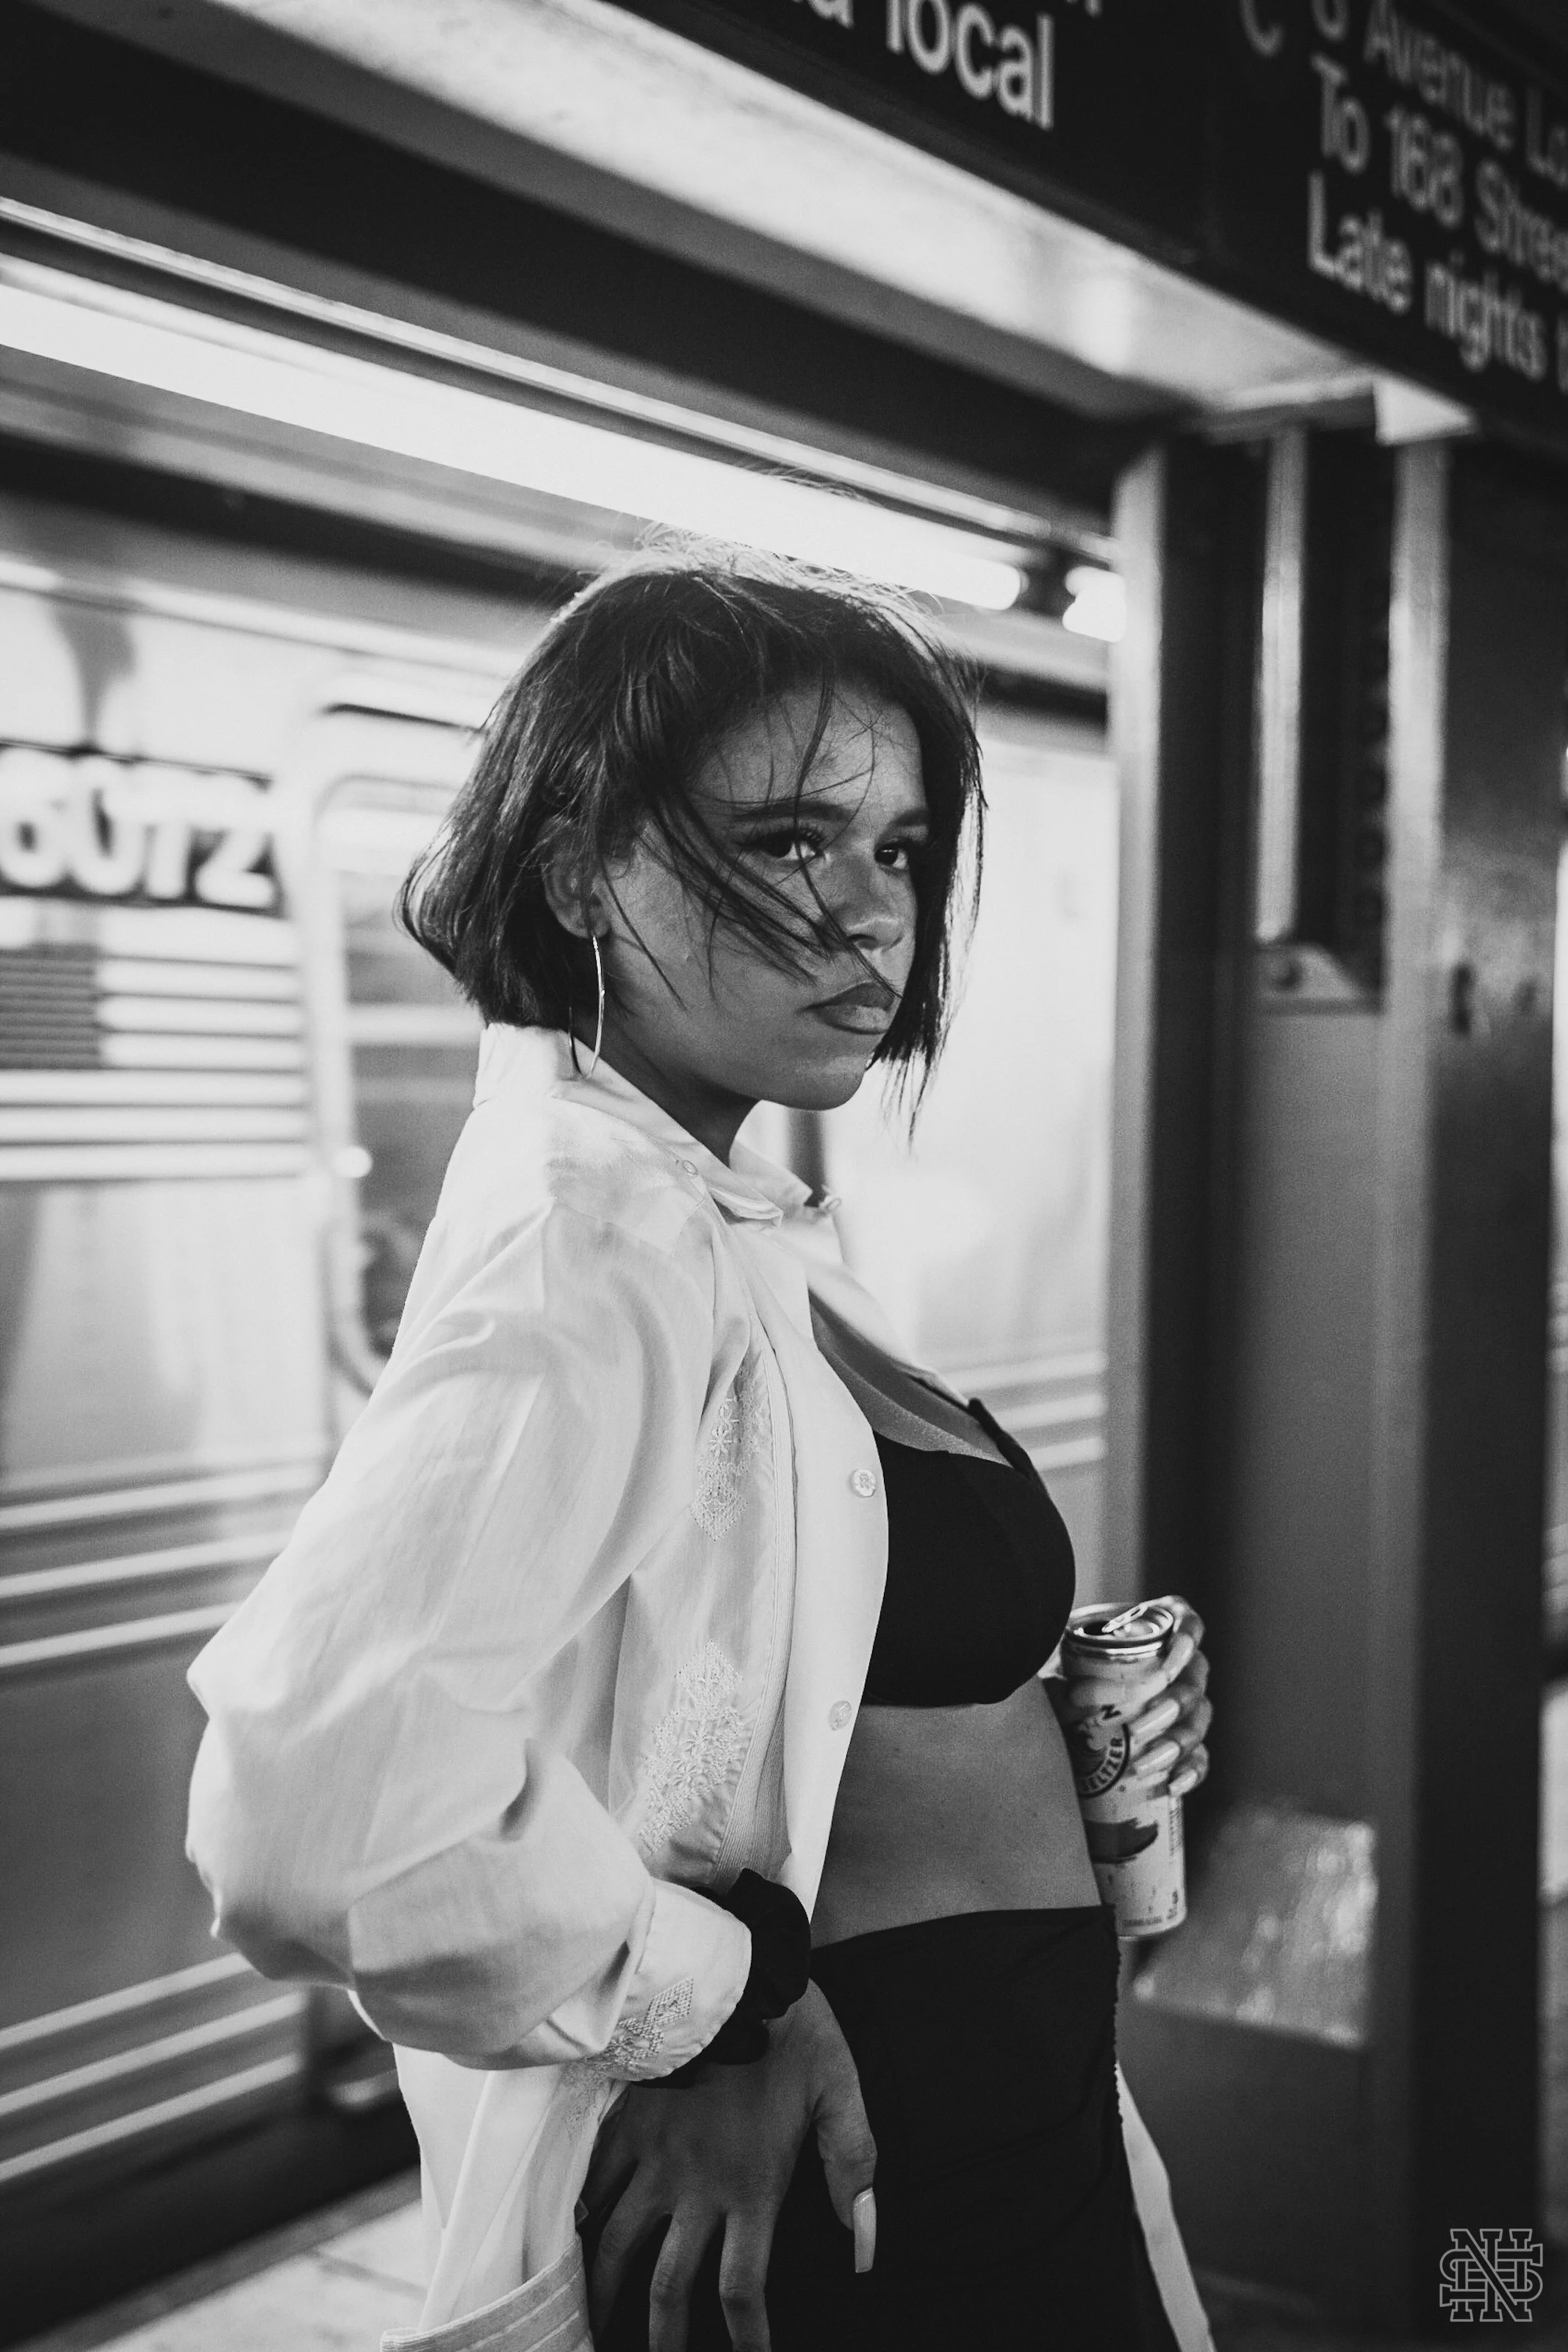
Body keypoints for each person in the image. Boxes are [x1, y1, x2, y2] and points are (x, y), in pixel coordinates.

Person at [185, 549, 1215, 2352]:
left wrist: (1015, 1718)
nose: (873, 918)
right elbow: (317, 1799)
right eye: (788, 840)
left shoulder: (720, 1208)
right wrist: (713, 2002)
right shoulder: (598, 1232)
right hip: (855, 2194)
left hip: (986, 2125)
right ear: (580, 861)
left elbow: (738, 1672)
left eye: (898, 850)